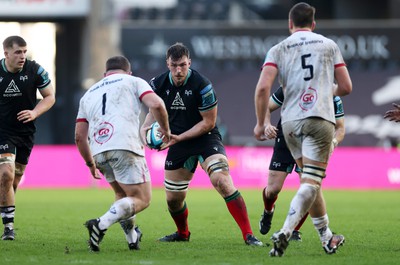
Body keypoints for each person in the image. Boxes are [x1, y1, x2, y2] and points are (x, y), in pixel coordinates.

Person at [254, 2, 352, 257]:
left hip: (290, 123)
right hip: (319, 119)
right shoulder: (328, 45)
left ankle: (327, 237)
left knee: (310, 182)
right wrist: (323, 91)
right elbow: (346, 87)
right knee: (310, 181)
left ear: (290, 24)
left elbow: (263, 88)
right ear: (314, 24)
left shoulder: (279, 48)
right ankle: (285, 231)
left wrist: (260, 123)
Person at [140, 42, 262, 246]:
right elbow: (155, 108)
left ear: (189, 62)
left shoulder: (202, 85)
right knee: (173, 200)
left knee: (222, 180)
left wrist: (178, 137)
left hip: (206, 139)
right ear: (167, 64)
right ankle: (183, 233)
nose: (178, 70)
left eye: (182, 65)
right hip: (177, 142)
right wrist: (145, 128)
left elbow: (209, 122)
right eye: (174, 66)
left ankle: (249, 235)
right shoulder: (157, 84)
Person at [75, 55, 170, 252]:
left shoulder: (89, 94)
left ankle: (132, 238)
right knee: (142, 199)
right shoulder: (134, 81)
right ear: (128, 72)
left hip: (99, 150)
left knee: (122, 195)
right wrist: (166, 131)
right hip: (124, 145)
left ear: (104, 74)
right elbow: (157, 104)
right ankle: (100, 224)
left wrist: (90, 163)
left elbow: (79, 136)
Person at [259, 86, 345, 242]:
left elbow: (340, 128)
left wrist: (333, 142)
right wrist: (266, 124)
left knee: (309, 187)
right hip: (286, 136)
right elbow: (266, 106)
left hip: (312, 142)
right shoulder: (291, 86)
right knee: (273, 190)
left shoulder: (333, 97)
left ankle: (295, 231)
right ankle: (268, 210)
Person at [0, 35, 56, 240]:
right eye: (17, 52)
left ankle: (5, 207)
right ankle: (9, 229)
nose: (22, 56)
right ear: (6, 53)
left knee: (13, 181)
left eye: (24, 51)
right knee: (5, 174)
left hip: (26, 132)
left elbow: (50, 96)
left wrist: (34, 113)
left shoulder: (35, 70)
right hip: (3, 131)